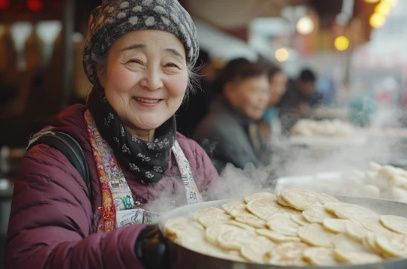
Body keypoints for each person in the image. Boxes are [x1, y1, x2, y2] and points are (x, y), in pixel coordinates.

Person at [6, 1, 218, 268]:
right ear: (100, 70)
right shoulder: (56, 159)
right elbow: (35, 260)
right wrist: (144, 247)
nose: (153, 81)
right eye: (135, 61)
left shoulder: (193, 157)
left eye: (171, 65)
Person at [194, 58, 270, 172]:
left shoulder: (245, 120)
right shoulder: (219, 126)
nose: (262, 98)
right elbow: (254, 174)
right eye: (254, 90)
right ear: (230, 90)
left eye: (265, 91)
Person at [176, 49, 217, 137]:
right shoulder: (202, 89)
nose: (213, 72)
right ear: (202, 66)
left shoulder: (181, 82)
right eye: (210, 67)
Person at [262, 65, 287, 140]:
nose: (280, 90)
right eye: (275, 84)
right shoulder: (256, 113)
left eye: (283, 84)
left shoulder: (272, 110)